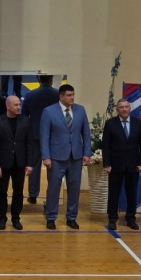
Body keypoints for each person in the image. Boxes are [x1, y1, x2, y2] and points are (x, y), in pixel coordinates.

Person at [40, 84, 91, 230]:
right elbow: (44, 135)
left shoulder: (80, 110)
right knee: (54, 188)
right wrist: (46, 156)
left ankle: (71, 217)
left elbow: (86, 133)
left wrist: (87, 153)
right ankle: (51, 217)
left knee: (74, 188)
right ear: (61, 96)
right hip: (56, 157)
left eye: (73, 95)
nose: (72, 97)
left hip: (76, 156)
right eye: (69, 95)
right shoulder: (49, 111)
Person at [0, 95, 36, 230]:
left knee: (18, 191)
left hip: (20, 163)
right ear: (7, 106)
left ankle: (16, 218)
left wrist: (29, 163)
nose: (19, 107)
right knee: (1, 192)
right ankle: (2, 218)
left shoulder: (25, 121)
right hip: (3, 164)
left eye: (19, 104)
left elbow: (29, 144)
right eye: (16, 105)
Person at [102, 97, 141, 231]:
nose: (124, 109)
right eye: (121, 107)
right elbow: (105, 146)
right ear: (117, 110)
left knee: (131, 193)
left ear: (130, 109)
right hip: (115, 165)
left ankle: (131, 218)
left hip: (133, 165)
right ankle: (112, 219)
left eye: (126, 107)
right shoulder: (110, 124)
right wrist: (107, 164)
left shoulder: (138, 123)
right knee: (113, 193)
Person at [21, 75, 57, 205]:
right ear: (51, 79)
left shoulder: (30, 94)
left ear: (39, 80)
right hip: (53, 135)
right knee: (52, 167)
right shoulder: (57, 94)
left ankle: (33, 195)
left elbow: (24, 115)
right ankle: (51, 196)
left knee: (34, 166)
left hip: (34, 134)